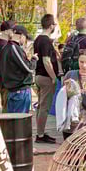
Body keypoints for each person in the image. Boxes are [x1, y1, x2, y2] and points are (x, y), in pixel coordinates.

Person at [34, 14, 60, 143]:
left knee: (40, 106)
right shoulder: (45, 41)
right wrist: (54, 77)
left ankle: (40, 132)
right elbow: (46, 60)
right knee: (44, 107)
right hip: (45, 77)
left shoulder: (38, 39)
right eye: (54, 24)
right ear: (51, 26)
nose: (55, 26)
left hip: (39, 76)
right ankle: (40, 134)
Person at [0, 25, 35, 114]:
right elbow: (29, 68)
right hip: (19, 91)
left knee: (13, 122)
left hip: (12, 90)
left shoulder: (6, 48)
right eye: (25, 38)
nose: (25, 41)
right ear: (21, 36)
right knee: (20, 122)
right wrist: (34, 60)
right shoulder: (14, 48)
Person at [0, 20, 14, 109]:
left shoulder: (0, 43)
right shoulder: (4, 45)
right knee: (7, 109)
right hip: (7, 82)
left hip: (4, 80)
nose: (14, 32)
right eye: (12, 30)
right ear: (6, 31)